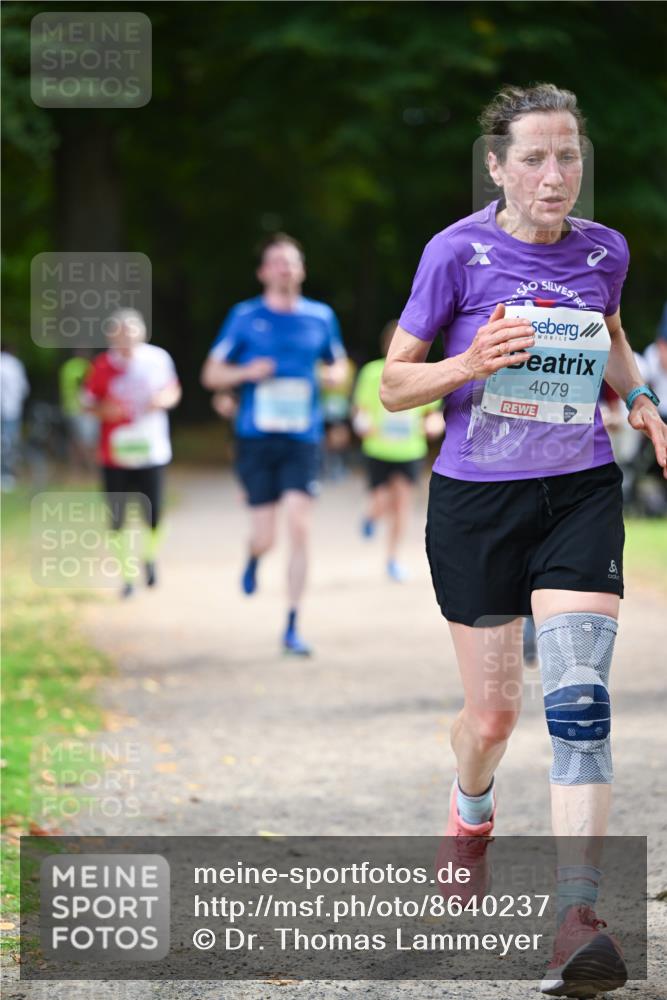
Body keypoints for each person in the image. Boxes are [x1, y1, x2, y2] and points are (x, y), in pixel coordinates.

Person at [380, 84, 667, 997]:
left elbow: (614, 338)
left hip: (578, 492)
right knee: (495, 718)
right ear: (497, 167)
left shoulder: (603, 250)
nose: (555, 175)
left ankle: (577, 914)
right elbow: (391, 385)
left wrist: (644, 399)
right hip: (475, 506)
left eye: (569, 157)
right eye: (535, 159)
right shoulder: (455, 253)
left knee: (578, 702)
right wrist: (469, 363)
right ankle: (470, 816)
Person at [201, 234, 347, 656]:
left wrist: (334, 376)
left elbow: (337, 364)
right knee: (265, 535)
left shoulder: (320, 317)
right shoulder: (245, 317)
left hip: (303, 437)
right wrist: (246, 373)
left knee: (299, 526)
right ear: (263, 272)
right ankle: (253, 556)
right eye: (276, 262)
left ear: (301, 270)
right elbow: (211, 374)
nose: (285, 268)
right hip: (256, 438)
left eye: (291, 262)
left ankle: (292, 623)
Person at [82, 309, 181, 597]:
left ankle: (149, 557)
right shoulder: (102, 365)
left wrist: (163, 399)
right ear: (111, 335)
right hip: (115, 453)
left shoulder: (158, 359)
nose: (126, 336)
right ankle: (126, 577)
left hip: (152, 449)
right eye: (120, 331)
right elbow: (87, 403)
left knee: (154, 513)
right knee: (117, 517)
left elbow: (174, 390)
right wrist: (105, 410)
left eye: (131, 330)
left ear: (142, 333)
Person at [353, 319, 443, 581]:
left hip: (409, 451)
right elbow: (360, 409)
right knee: (382, 501)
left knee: (402, 506)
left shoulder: (425, 373)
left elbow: (432, 414)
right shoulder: (372, 372)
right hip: (378, 449)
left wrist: (434, 425)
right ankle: (371, 516)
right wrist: (362, 424)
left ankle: (392, 559)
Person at [59, 350, 98, 472]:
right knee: (87, 441)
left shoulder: (67, 366)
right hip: (82, 409)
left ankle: (75, 468)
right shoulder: (86, 367)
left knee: (75, 440)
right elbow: (85, 387)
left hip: (69, 408)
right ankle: (91, 468)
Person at [0, 343, 30, 490]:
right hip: (12, 409)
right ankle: (7, 474)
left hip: (6, 408)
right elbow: (24, 389)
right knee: (9, 443)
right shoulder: (15, 364)